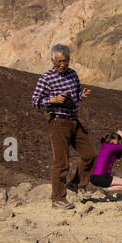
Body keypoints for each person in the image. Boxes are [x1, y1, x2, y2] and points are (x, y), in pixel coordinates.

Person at [29, 43, 95, 209]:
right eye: (59, 61)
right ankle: (58, 199)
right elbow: (34, 101)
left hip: (74, 120)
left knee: (90, 154)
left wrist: (82, 96)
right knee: (61, 162)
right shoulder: (46, 78)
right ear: (52, 60)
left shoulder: (73, 74)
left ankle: (76, 184)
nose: (63, 64)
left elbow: (74, 97)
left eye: (65, 61)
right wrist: (53, 100)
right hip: (58, 122)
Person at [92, 130, 122, 196]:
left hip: (94, 178)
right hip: (102, 177)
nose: (118, 142)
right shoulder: (111, 147)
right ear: (112, 140)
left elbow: (118, 156)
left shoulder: (104, 147)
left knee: (118, 180)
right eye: (117, 140)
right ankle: (104, 190)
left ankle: (105, 190)